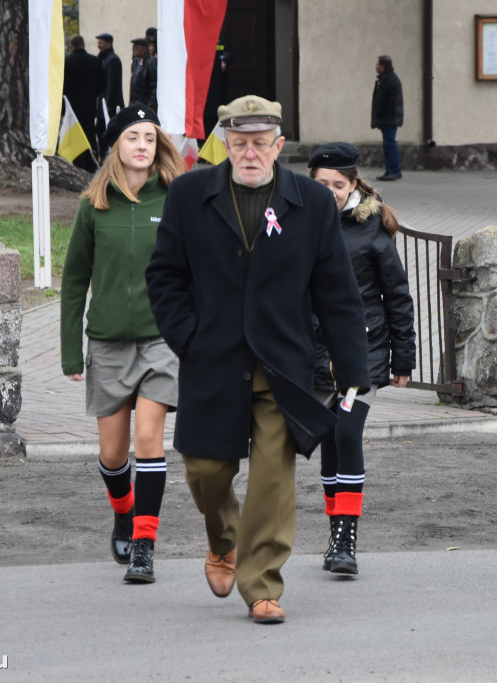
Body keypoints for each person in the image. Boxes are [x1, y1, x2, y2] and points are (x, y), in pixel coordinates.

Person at [145, 95, 370, 624]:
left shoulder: (312, 201)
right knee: (206, 470)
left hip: (283, 367)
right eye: (240, 142)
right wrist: (189, 338)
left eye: (260, 144)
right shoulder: (188, 193)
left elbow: (336, 291)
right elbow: (164, 277)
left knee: (272, 478)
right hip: (213, 358)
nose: (250, 153)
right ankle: (222, 537)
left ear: (279, 145)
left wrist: (353, 371)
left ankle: (262, 584)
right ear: (224, 142)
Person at [61, 104, 186, 584]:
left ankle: (144, 546)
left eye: (149, 138)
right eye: (132, 137)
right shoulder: (94, 205)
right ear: (116, 145)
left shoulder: (176, 199)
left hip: (161, 341)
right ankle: (123, 511)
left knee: (149, 442)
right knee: (114, 457)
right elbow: (74, 281)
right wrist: (71, 350)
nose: (142, 145)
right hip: (108, 344)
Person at [307, 142, 416, 575]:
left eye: (339, 184)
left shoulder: (371, 229)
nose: (331, 191)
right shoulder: (301, 224)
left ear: (353, 184)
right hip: (313, 352)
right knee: (330, 440)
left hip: (362, 351)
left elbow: (399, 296)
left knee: (348, 434)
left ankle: (346, 538)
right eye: (322, 184)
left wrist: (402, 358)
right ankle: (336, 532)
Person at [63, 35, 104, 172]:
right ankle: (91, 164)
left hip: (72, 107)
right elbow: (101, 85)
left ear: (71, 46)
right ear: (83, 44)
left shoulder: (66, 62)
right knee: (90, 134)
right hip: (89, 105)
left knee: (74, 136)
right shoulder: (94, 61)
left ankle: (77, 164)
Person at [371, 55, 404, 181]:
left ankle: (394, 170)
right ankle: (390, 170)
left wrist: (380, 116)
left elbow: (386, 102)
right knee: (388, 144)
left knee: (390, 144)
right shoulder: (385, 79)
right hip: (387, 118)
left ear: (383, 66)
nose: (375, 67)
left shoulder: (389, 80)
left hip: (389, 118)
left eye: (377, 64)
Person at [95, 33, 125, 161]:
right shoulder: (104, 59)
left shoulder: (113, 60)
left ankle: (108, 160)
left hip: (109, 107)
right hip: (102, 105)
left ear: (109, 44)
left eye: (101, 42)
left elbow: (112, 83)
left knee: (107, 132)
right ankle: (104, 159)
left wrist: (108, 103)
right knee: (100, 131)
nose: (98, 44)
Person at [129, 37, 158, 110]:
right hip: (134, 104)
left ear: (144, 49)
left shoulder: (151, 62)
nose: (134, 49)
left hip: (145, 105)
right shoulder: (136, 62)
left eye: (136, 47)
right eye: (133, 47)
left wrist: (152, 105)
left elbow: (154, 85)